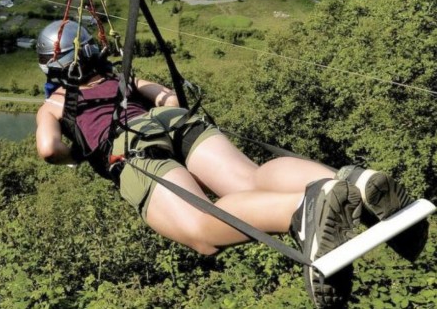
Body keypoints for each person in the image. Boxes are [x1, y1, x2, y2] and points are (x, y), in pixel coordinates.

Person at [34, 20, 427, 309]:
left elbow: (49, 149)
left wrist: (78, 153)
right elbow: (170, 99)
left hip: (130, 148)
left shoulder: (55, 104)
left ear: (52, 68)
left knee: (201, 230)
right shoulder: (125, 79)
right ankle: (352, 182)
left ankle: (301, 209)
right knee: (250, 180)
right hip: (175, 123)